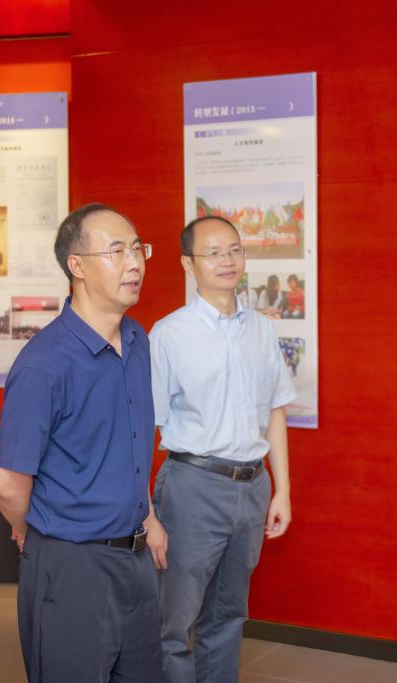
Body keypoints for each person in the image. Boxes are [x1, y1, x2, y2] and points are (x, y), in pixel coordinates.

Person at [0, 203, 164, 683]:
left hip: (135, 557)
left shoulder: (137, 340)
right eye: (116, 251)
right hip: (72, 564)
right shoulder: (44, 363)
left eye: (138, 250)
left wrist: (148, 516)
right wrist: (30, 531)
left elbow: (129, 445)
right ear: (77, 266)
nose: (134, 263)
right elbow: (7, 482)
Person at [151, 216, 296, 683]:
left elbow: (275, 410)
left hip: (252, 486)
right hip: (192, 487)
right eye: (213, 253)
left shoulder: (261, 330)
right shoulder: (168, 335)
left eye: (234, 250)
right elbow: (144, 426)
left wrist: (281, 490)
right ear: (187, 264)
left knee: (228, 615)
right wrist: (145, 512)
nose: (227, 260)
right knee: (174, 622)